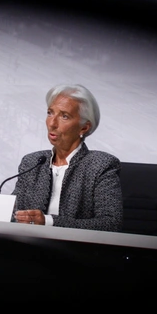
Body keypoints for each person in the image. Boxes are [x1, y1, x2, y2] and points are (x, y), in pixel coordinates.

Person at [12, 84, 122, 232]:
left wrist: (48, 221)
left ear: (84, 127)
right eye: (50, 113)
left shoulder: (101, 165)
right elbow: (12, 212)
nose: (52, 123)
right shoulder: (32, 162)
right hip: (29, 246)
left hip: (76, 250)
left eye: (64, 116)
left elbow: (110, 223)